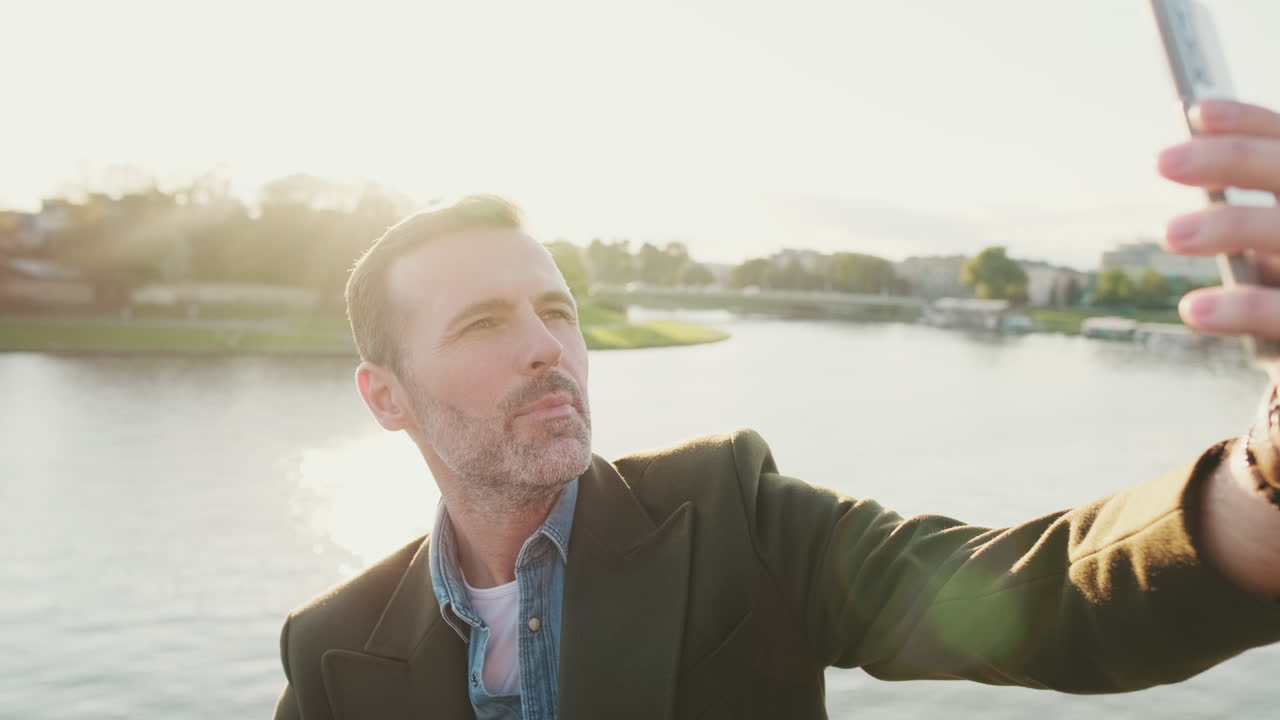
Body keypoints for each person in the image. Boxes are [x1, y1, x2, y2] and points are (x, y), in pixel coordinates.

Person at [273, 99, 1280, 720]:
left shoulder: (735, 518)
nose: (545, 344)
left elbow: (1047, 598)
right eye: (482, 322)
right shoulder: (332, 648)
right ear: (386, 398)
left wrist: (1267, 471)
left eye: (555, 309)